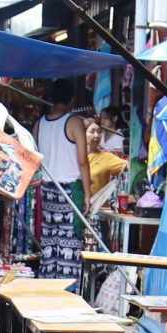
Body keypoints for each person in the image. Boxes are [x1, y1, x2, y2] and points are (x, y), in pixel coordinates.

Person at [34, 83, 97, 290]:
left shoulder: (39, 124)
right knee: (69, 242)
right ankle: (67, 290)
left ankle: (47, 289)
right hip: (70, 191)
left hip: (46, 191)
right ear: (71, 100)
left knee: (49, 243)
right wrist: (88, 193)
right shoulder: (74, 122)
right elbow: (82, 161)